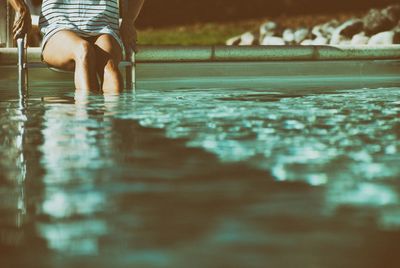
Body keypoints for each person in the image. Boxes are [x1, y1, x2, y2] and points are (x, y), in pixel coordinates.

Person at [8, 0, 145, 94]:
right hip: (58, 27)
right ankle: (87, 128)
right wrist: (21, 9)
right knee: (83, 50)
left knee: (109, 66)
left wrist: (128, 20)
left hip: (103, 26)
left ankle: (112, 128)